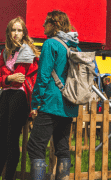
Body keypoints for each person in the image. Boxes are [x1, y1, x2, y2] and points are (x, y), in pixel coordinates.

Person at [27, 10, 80, 180]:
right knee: (62, 147)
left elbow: (43, 76)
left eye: (46, 22)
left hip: (51, 102)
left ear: (54, 24)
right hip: (69, 103)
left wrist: (35, 104)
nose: (43, 25)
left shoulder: (50, 44)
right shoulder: (74, 46)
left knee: (35, 147)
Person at [0, 16, 39, 180]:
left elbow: (21, 76)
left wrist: (7, 78)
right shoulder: (5, 53)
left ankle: (8, 177)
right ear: (8, 32)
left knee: (12, 140)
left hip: (20, 95)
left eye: (19, 30)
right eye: (13, 30)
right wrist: (8, 79)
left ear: (24, 33)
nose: (16, 33)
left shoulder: (27, 52)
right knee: (1, 139)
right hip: (6, 95)